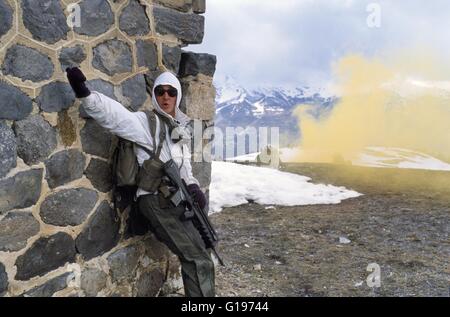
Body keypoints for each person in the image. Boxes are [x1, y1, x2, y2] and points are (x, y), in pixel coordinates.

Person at [66, 67, 215, 297]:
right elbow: (115, 116)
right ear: (155, 95)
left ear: (178, 96)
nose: (166, 97)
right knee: (197, 259)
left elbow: (184, 167)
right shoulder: (147, 123)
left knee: (203, 250)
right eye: (161, 92)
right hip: (156, 200)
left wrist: (193, 186)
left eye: (171, 92)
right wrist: (85, 93)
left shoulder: (178, 131)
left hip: (175, 201)